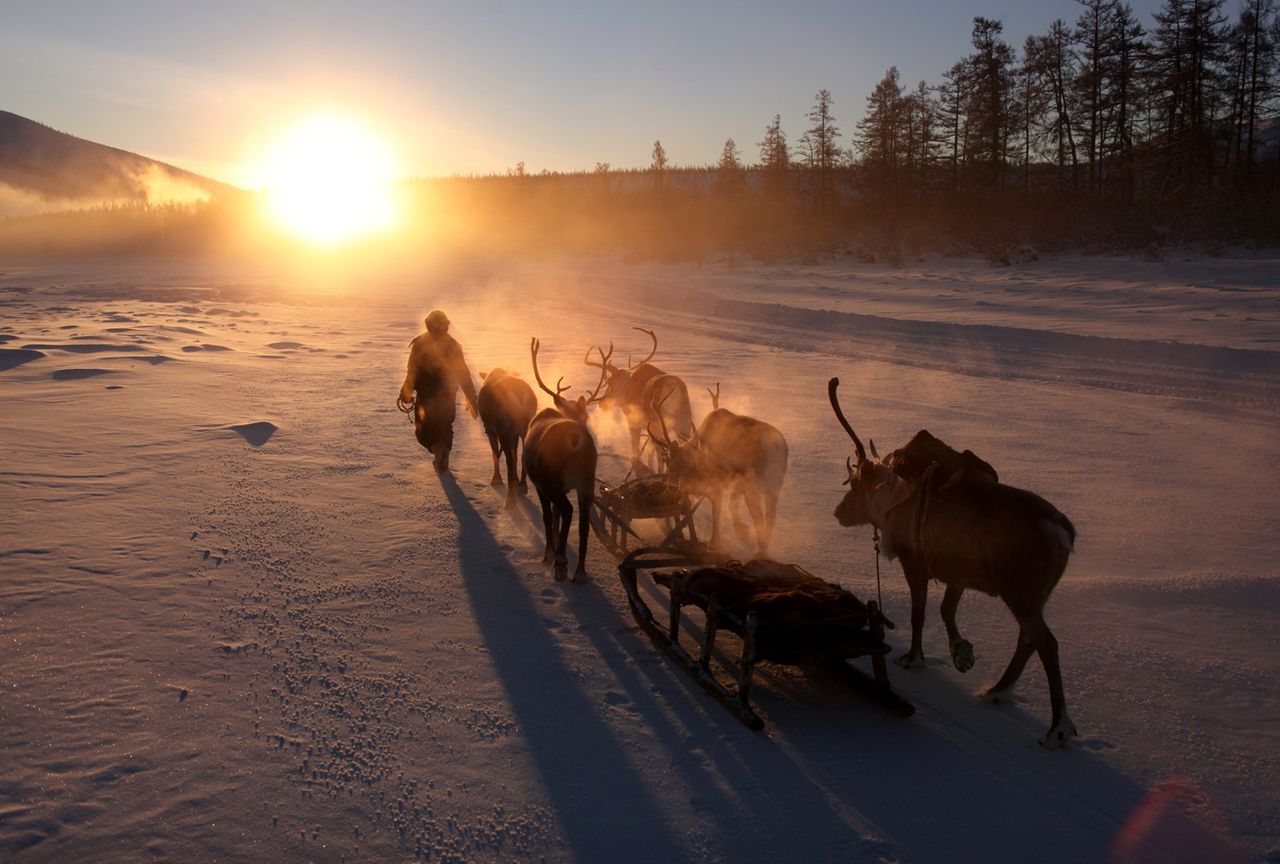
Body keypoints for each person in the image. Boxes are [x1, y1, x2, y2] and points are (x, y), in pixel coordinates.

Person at [398, 310, 479, 473]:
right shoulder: (454, 345)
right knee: (444, 427)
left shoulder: (420, 343)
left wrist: (406, 392)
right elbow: (463, 374)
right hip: (448, 396)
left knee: (423, 430)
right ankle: (442, 450)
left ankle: (437, 450)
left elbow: (412, 371)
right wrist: (472, 397)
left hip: (426, 397)